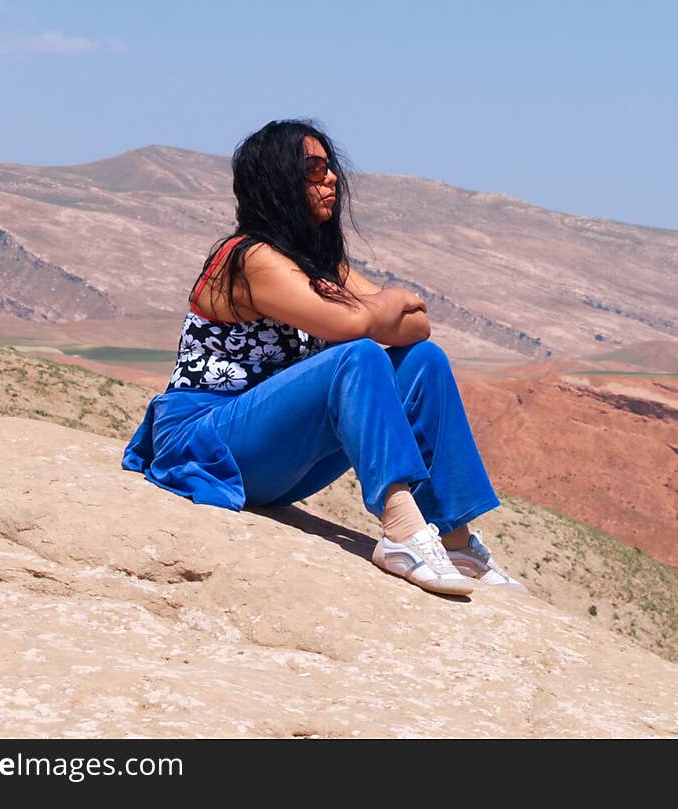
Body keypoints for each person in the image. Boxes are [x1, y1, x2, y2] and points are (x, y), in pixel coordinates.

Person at [122, 119, 525, 597]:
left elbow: (418, 325)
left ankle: (454, 538)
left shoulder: (318, 263)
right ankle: (401, 532)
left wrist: (366, 309)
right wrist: (383, 302)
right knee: (357, 357)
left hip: (272, 453)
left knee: (424, 362)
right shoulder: (250, 259)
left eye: (330, 167)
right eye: (314, 170)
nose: (331, 178)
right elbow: (354, 329)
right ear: (277, 181)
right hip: (207, 445)